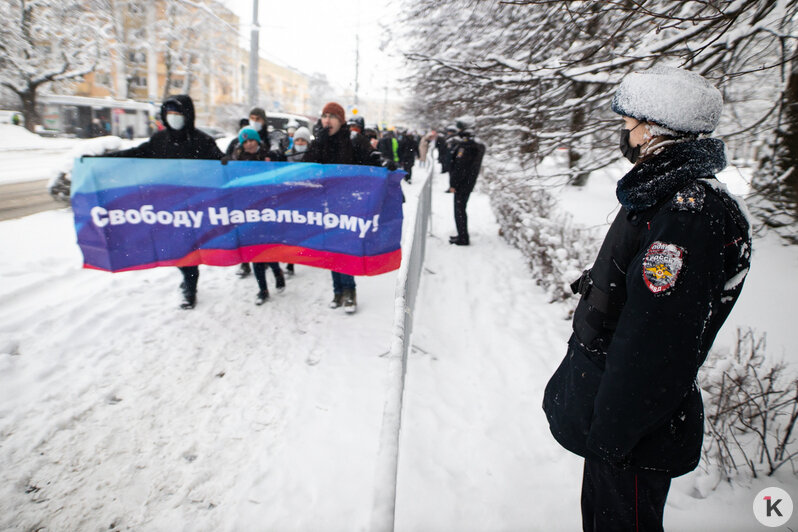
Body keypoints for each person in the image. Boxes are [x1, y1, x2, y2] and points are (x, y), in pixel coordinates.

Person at [542, 66, 752, 532]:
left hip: (631, 431)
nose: (625, 130)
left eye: (630, 121)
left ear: (656, 129)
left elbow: (657, 342)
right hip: (614, 414)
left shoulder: (687, 213)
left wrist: (614, 435)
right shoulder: (660, 193)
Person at [103, 94, 224, 309]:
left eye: (178, 113)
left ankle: (190, 287)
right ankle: (187, 277)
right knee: (175, 249)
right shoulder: (160, 140)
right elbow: (136, 154)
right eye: (169, 114)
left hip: (194, 207)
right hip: (167, 208)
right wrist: (102, 160)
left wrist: (228, 162)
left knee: (188, 251)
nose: (173, 118)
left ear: (188, 114)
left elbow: (225, 167)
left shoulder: (203, 141)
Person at [303, 102, 382, 313]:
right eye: (324, 116)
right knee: (330, 250)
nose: (327, 120)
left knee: (344, 250)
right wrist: (317, 142)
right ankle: (337, 291)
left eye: (332, 116)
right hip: (324, 205)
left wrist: (386, 165)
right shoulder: (319, 141)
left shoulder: (354, 140)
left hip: (348, 205)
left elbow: (374, 159)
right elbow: (306, 166)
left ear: (342, 120)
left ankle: (350, 292)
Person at [227, 127, 286, 305]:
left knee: (267, 248)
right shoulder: (236, 160)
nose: (249, 144)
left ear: (258, 141)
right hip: (246, 211)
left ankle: (277, 271)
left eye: (252, 140)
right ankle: (263, 289)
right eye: (245, 142)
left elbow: (278, 177)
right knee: (253, 251)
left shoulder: (267, 157)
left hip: (266, 209)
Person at [448, 117, 485, 246]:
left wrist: (453, 184)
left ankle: (463, 238)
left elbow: (459, 167)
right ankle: (462, 235)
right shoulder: (476, 145)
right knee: (460, 210)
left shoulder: (467, 147)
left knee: (459, 210)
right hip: (468, 182)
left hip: (462, 184)